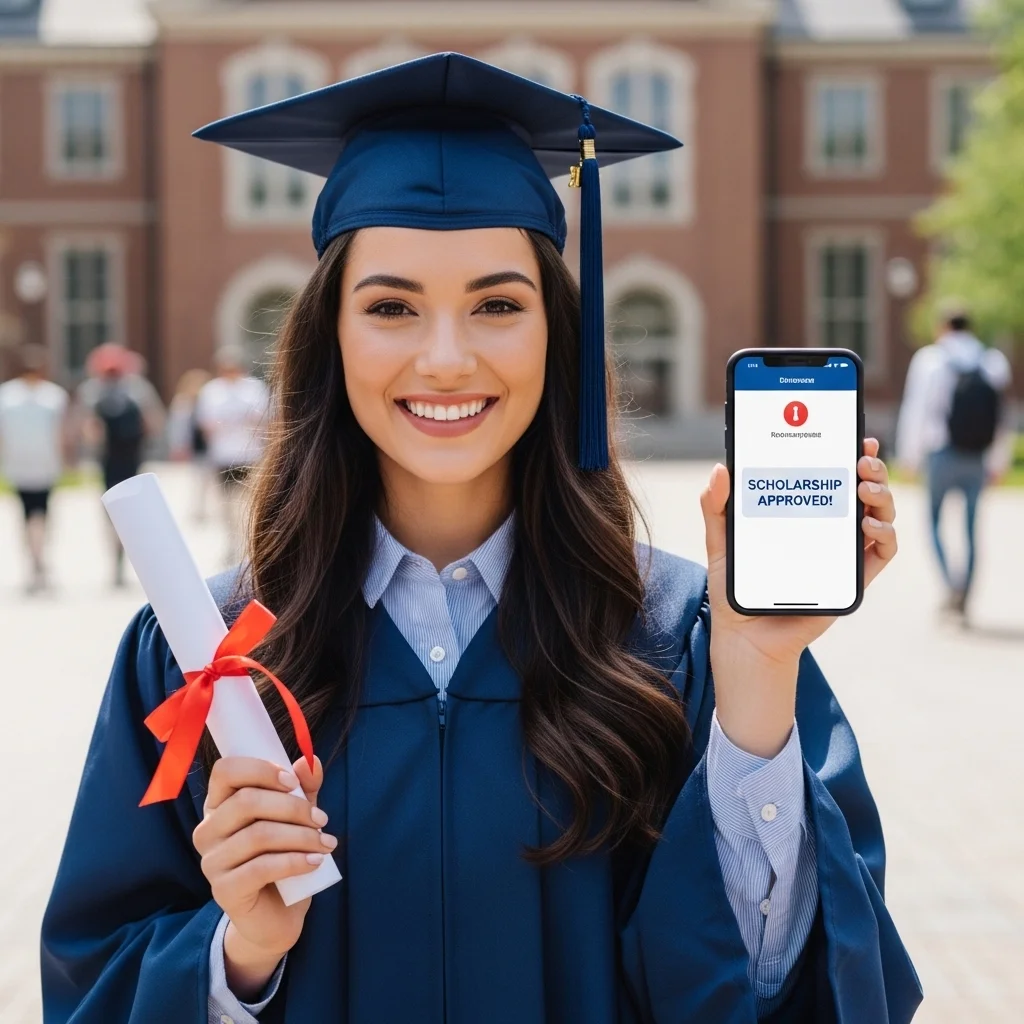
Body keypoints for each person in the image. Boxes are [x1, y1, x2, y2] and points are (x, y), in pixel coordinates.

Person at [41, 54, 921, 1024]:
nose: (447, 356)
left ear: (558, 332)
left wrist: (755, 675)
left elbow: (787, 991)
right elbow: (93, 977)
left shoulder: (686, 638)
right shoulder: (208, 657)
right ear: (330, 334)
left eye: (499, 303)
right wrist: (238, 951)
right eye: (390, 306)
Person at [895, 304, 1014, 617]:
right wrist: (999, 459)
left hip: (941, 454)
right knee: (971, 529)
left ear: (942, 327)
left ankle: (951, 584)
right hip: (977, 456)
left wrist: (909, 456)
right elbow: (1002, 415)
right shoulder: (992, 361)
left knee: (933, 521)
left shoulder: (931, 360)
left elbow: (917, 409)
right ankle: (967, 593)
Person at [78, 343, 165, 585]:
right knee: (132, 512)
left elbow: (88, 428)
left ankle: (116, 560)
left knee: (111, 512)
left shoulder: (92, 391)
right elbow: (154, 422)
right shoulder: (138, 389)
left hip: (108, 460)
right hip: (132, 458)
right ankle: (127, 560)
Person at [0, 344, 69, 592]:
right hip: (42, 464)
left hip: (21, 464)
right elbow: (60, 434)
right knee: (40, 514)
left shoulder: (7, 395)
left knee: (28, 514)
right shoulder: (53, 396)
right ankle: (37, 558)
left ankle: (34, 557)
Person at [195, 346, 270, 561]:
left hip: (250, 455)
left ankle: (250, 545)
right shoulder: (212, 391)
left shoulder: (254, 389)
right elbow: (206, 424)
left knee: (248, 504)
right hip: (224, 456)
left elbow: (265, 420)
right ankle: (231, 544)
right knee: (227, 504)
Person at [168, 367, 213, 521]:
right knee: (197, 477)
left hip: (208, 446)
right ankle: (197, 508)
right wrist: (179, 445)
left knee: (208, 479)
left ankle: (205, 508)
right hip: (194, 445)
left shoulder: (207, 400)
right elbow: (178, 426)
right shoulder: (183, 402)